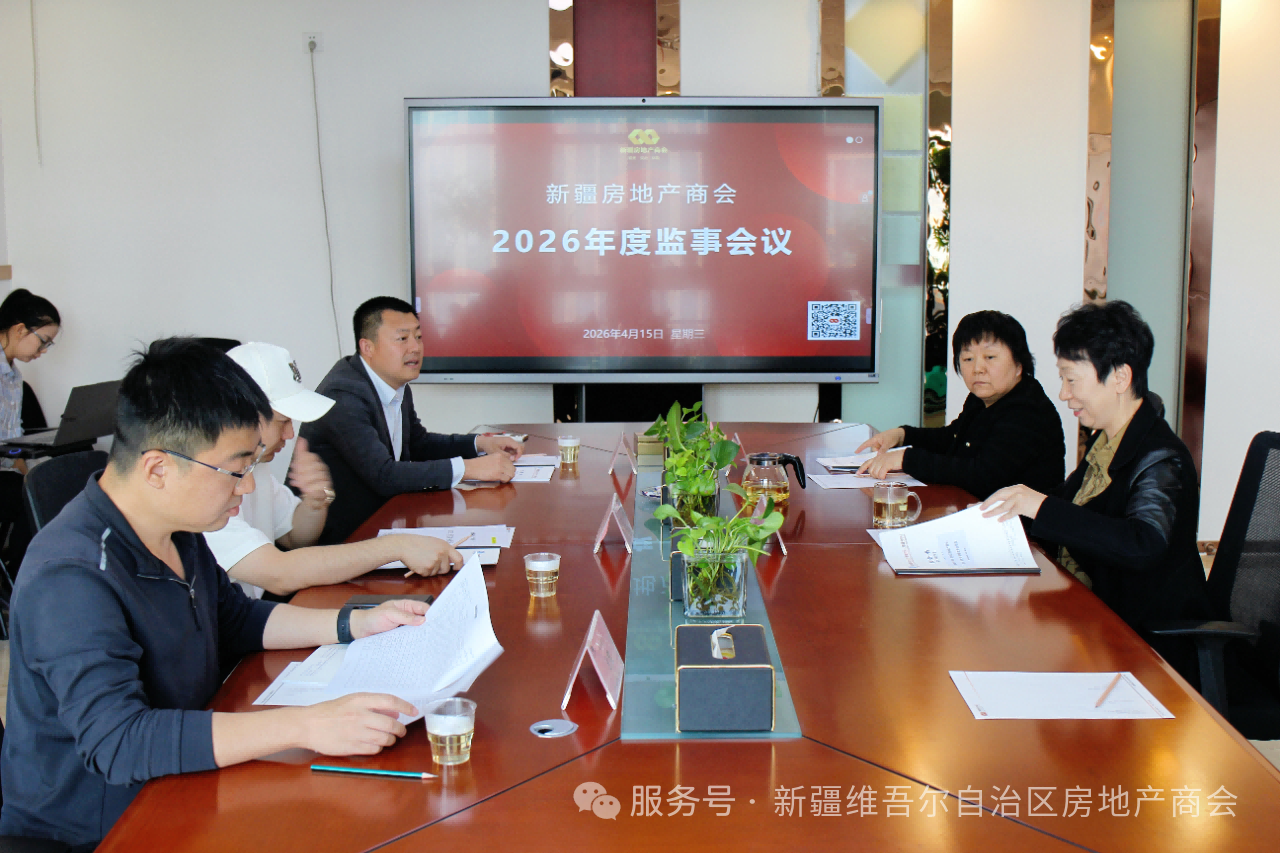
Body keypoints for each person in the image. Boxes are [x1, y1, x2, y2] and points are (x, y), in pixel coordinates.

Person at [0, 338, 426, 849]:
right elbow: (118, 742)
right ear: (158, 468)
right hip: (102, 824)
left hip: (184, 776)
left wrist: (359, 622)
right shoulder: (69, 577)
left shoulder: (177, 528)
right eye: (235, 470)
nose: (247, 487)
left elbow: (235, 618)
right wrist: (306, 725)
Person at [981, 301, 1209, 671]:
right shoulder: (1108, 441)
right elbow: (1070, 505)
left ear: (1120, 378)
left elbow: (1141, 545)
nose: (1063, 393)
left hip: (1143, 648)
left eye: (1071, 380)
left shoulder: (1162, 458)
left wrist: (1040, 507)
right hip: (1091, 618)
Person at [204, 342, 464, 597]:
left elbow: (295, 538)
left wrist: (316, 502)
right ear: (239, 416)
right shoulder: (205, 486)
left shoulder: (257, 467)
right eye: (282, 421)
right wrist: (395, 546)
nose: (290, 433)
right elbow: (279, 573)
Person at [300, 297, 522, 544]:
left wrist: (479, 444)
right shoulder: (343, 395)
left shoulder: (393, 383)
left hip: (384, 524)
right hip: (341, 540)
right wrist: (469, 468)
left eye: (418, 337)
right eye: (402, 338)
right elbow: (383, 475)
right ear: (368, 347)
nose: (415, 348)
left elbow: (418, 444)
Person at [855, 310, 1065, 498]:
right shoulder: (983, 398)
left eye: (990, 357)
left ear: (1019, 365)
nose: (978, 369)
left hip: (1022, 527)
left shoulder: (1028, 410)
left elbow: (983, 475)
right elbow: (953, 438)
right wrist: (902, 435)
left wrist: (907, 459)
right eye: (968, 359)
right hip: (980, 512)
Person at [0, 288, 62, 564]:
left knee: (46, 487)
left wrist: (25, 471)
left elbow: (11, 441)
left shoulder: (13, 376)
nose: (43, 351)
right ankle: (21, 571)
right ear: (20, 330)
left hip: (5, 471)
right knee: (39, 494)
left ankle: (22, 569)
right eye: (43, 341)